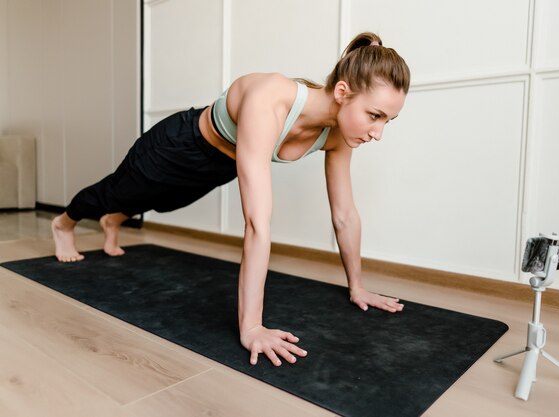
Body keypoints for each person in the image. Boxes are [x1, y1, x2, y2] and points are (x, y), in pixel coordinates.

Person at [51, 32, 411, 366]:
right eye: (374, 116)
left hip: (220, 165)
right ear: (343, 92)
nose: (377, 133)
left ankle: (113, 220)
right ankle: (64, 222)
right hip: (181, 145)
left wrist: (357, 287)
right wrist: (252, 327)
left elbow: (345, 214)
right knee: (119, 190)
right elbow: (257, 223)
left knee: (164, 202)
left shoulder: (338, 136)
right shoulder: (271, 98)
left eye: (388, 121)